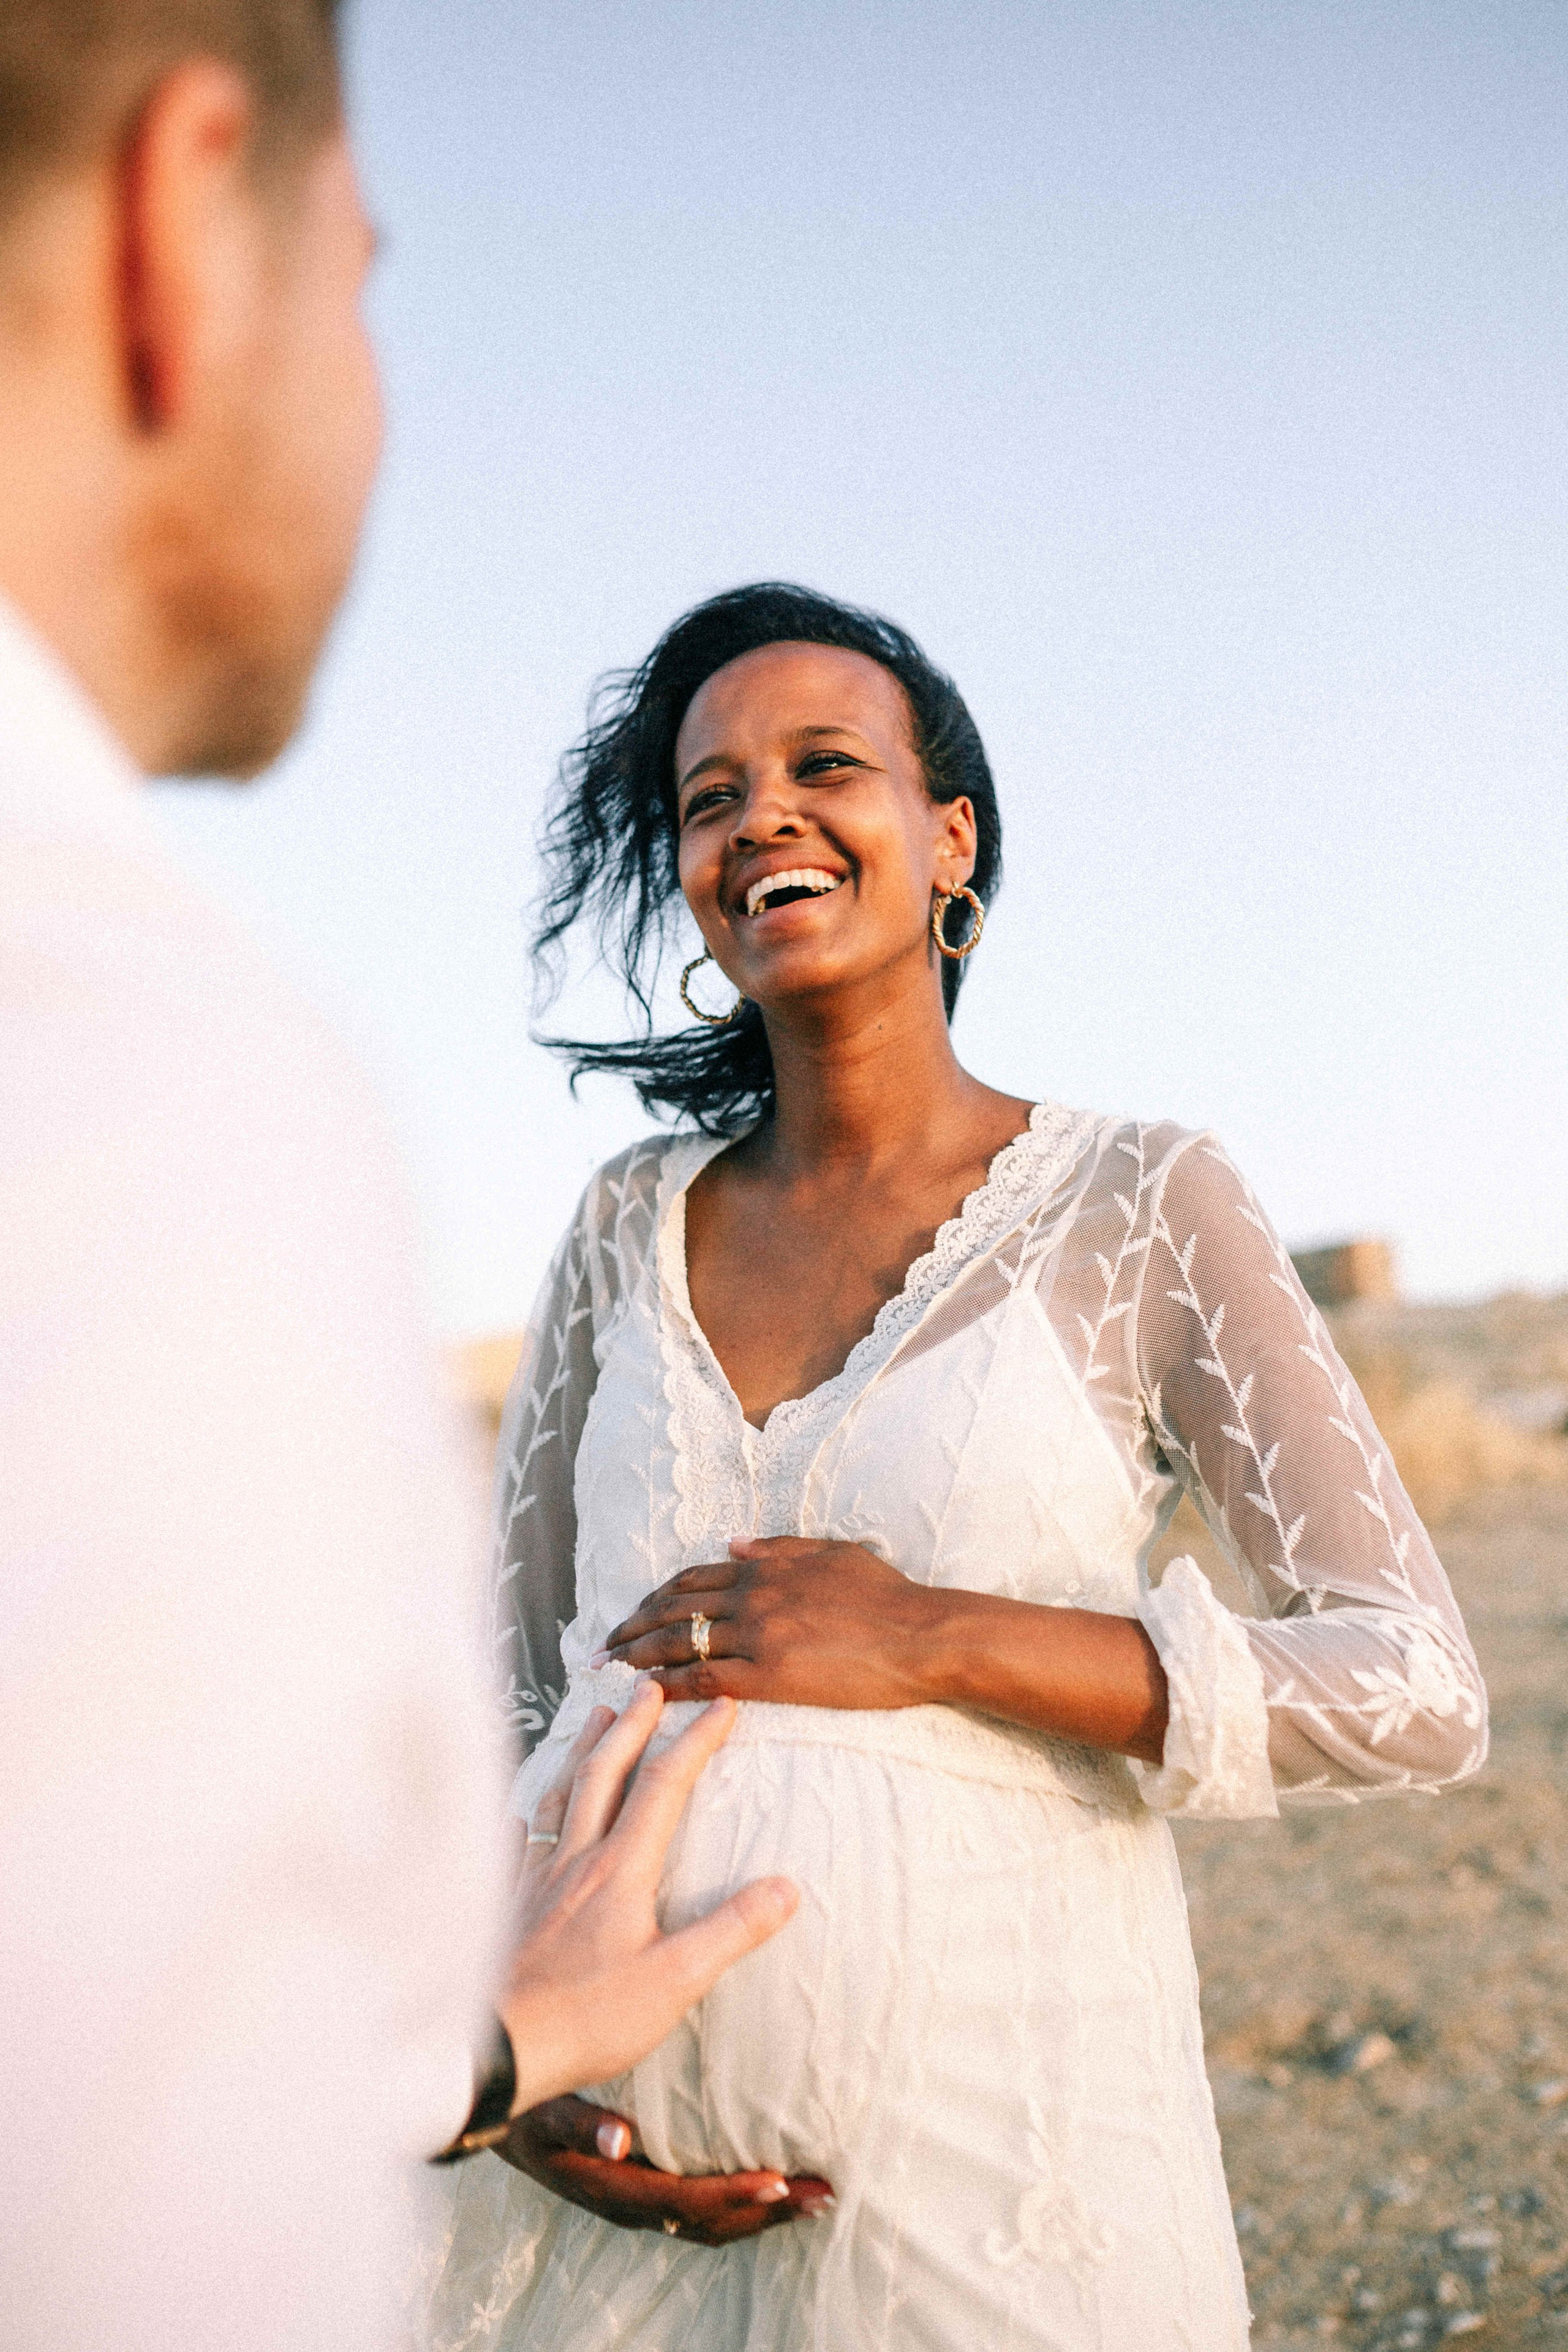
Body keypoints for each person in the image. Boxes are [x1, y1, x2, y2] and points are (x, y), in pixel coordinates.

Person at [418, 582, 1490, 2351]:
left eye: (822, 764)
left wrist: (930, 1635)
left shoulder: (1143, 1202)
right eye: (706, 797)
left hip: (988, 2197)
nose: (757, 813)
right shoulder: (624, 1222)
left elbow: (1415, 1683)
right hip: (591, 2228)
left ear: (949, 838)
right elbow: (508, 1693)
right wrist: (504, 2066)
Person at [0, 13, 795, 2351]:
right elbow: (129, 2232)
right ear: (184, 215)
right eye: (357, 277)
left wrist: (461, 2042)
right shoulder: (130, 1072)